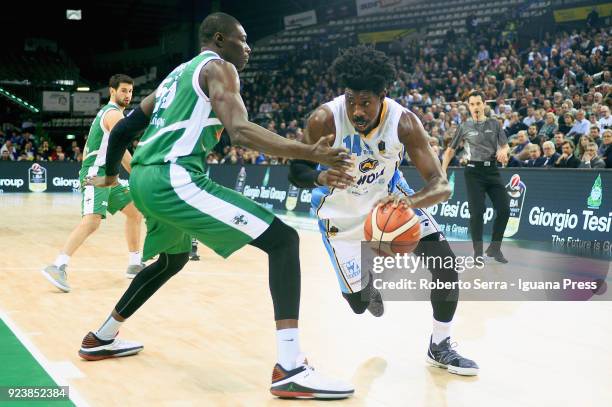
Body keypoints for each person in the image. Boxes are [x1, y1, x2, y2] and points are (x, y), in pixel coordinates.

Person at [80, 12, 354, 399]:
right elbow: (240, 131)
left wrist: (111, 176)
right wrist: (309, 151)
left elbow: (125, 128)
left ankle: (101, 336)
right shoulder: (220, 68)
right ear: (221, 39)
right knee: (283, 240)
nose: (248, 48)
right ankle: (290, 368)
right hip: (175, 178)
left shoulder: (175, 76)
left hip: (144, 178)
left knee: (172, 260)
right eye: (243, 41)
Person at [289, 45, 478, 376]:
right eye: (351, 101)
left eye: (366, 103)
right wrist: (319, 174)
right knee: (359, 305)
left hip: (391, 202)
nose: (357, 110)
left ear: (382, 96)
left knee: (446, 265)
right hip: (340, 216)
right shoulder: (324, 120)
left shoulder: (403, 122)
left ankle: (441, 345)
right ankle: (367, 286)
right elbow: (295, 171)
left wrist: (410, 202)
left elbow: (440, 185)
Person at [41, 74, 144, 292]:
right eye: (123, 90)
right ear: (112, 91)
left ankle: (135, 263)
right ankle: (57, 265)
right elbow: (123, 150)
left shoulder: (113, 114)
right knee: (92, 221)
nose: (128, 95)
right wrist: (138, 171)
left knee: (135, 212)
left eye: (131, 91)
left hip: (109, 175)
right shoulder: (113, 113)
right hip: (95, 174)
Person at [442, 90, 510, 263]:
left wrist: (503, 151)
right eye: (472, 104)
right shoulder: (464, 126)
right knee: (477, 212)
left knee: (504, 210)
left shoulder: (495, 124)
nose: (475, 107)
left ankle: (495, 248)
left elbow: (505, 146)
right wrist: (443, 171)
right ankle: (478, 252)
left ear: (484, 104)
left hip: (492, 171)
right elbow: (450, 151)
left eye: (478, 103)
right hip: (473, 172)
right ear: (469, 107)